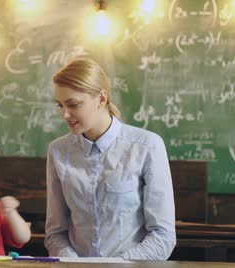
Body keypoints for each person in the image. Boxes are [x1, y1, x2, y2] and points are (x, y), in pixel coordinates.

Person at [45, 58, 176, 260]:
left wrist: (115, 264)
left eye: (73, 104)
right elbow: (55, 234)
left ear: (102, 99)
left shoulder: (147, 146)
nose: (65, 114)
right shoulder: (58, 151)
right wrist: (74, 264)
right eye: (60, 105)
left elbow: (163, 236)